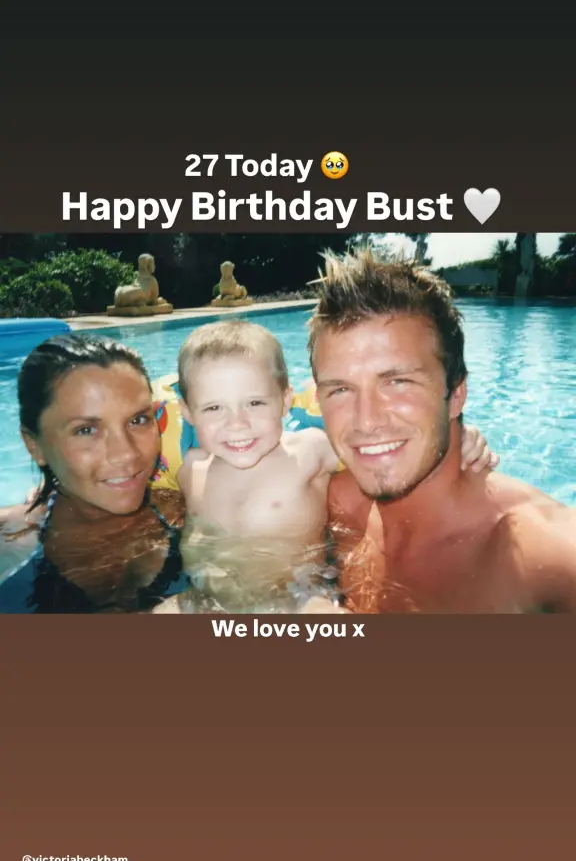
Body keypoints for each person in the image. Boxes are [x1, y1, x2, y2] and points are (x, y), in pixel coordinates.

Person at [153, 319, 498, 613]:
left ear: (285, 401)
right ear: (188, 412)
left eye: (255, 403)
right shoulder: (191, 468)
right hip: (203, 599)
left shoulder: (309, 450)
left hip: (297, 597)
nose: (237, 424)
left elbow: (383, 452)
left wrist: (455, 438)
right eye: (214, 408)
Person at [308, 250, 576, 613]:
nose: (366, 421)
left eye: (398, 382)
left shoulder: (542, 555)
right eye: (340, 389)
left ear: (456, 395)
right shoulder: (332, 502)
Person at [0, 334, 189, 613]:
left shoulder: (190, 512)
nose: (126, 453)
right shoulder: (9, 543)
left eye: (138, 420)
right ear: (34, 445)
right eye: (86, 430)